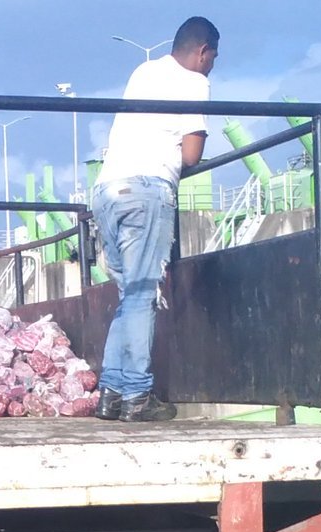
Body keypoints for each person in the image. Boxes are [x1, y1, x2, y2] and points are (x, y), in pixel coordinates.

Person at [91, 16, 220, 422]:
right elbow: (191, 155)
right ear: (202, 52)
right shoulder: (194, 81)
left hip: (107, 190)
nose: (212, 65)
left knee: (129, 296)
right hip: (147, 190)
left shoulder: (144, 70)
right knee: (142, 296)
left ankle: (112, 393)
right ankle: (138, 396)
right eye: (213, 57)